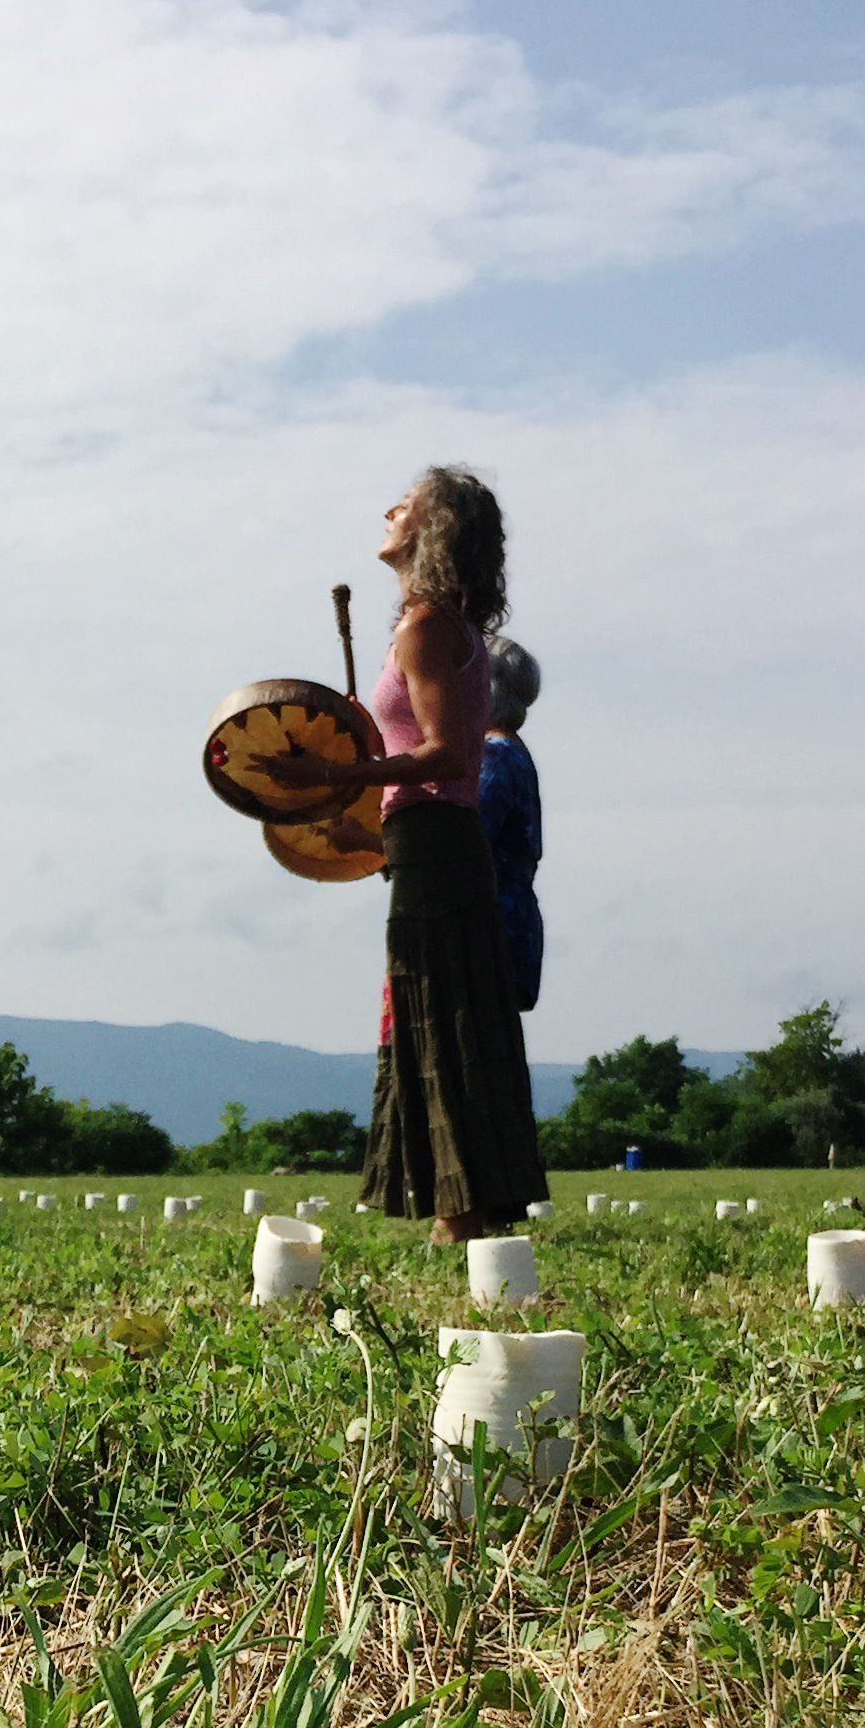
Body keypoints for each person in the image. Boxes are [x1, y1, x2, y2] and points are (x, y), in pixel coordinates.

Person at [265, 468, 545, 1244]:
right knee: (450, 1019)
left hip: (433, 839)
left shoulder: (424, 628)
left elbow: (448, 757)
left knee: (439, 1018)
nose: (388, 510)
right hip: (429, 842)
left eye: (406, 505)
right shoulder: (445, 627)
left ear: (434, 532)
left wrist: (334, 774)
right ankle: (467, 1213)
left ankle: (458, 1219)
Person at [477, 639, 543, 1014]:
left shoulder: (495, 755)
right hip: (515, 925)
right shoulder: (515, 751)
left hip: (494, 929)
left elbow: (470, 838)